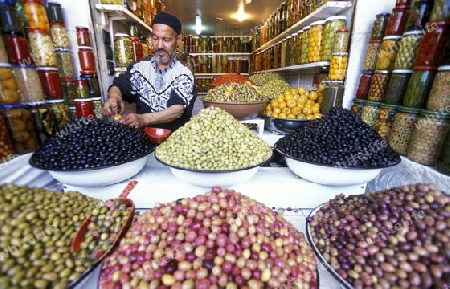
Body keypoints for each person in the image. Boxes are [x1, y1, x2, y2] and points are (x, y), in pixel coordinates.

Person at [103, 11, 197, 131]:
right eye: (155, 38)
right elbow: (119, 85)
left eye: (166, 39)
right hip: (143, 139)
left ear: (178, 40)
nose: (159, 45)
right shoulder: (139, 68)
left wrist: (144, 119)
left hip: (174, 140)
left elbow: (177, 110)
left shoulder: (184, 73)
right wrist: (114, 97)